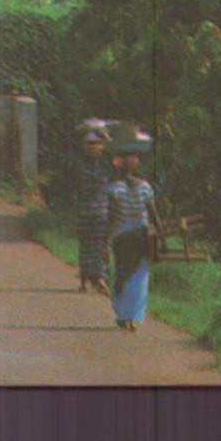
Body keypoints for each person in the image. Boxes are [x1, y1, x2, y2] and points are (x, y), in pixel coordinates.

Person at [105, 148, 159, 331]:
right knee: (139, 277)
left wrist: (107, 241)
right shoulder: (145, 187)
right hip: (142, 237)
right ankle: (135, 318)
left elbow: (113, 218)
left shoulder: (115, 188)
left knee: (123, 274)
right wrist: (161, 236)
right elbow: (153, 214)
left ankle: (124, 315)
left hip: (122, 237)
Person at [75, 123, 112, 295]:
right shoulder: (80, 166)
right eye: (90, 146)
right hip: (85, 211)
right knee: (86, 245)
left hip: (102, 212)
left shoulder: (106, 166)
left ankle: (100, 278)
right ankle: (86, 279)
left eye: (96, 145)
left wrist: (106, 137)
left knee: (101, 245)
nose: (93, 149)